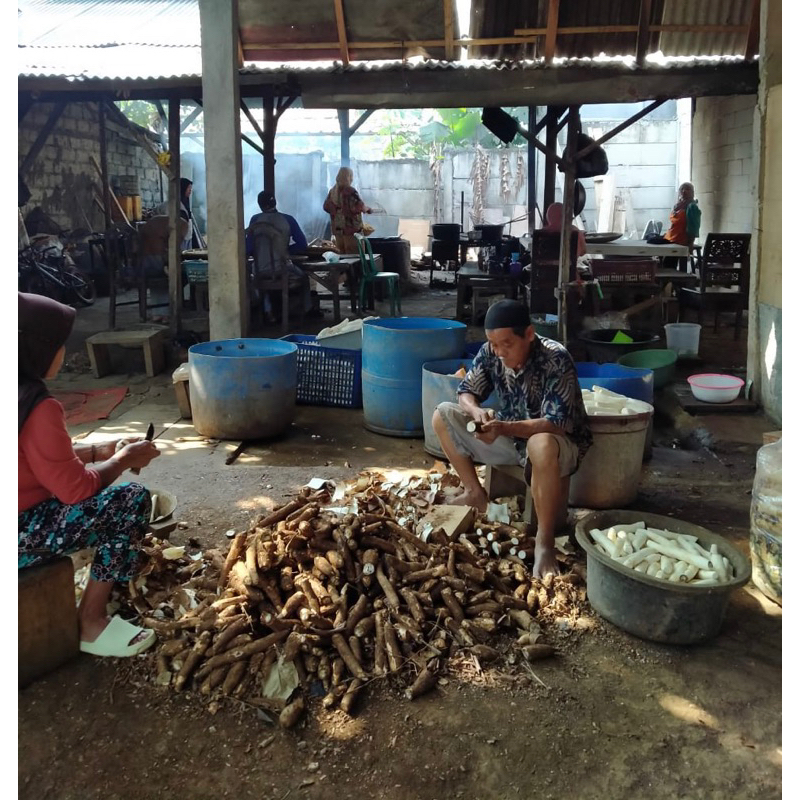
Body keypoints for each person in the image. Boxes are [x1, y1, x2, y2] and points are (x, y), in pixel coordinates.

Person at [18, 293, 161, 657]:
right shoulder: (38, 407)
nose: (65, 354)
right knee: (129, 501)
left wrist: (101, 450)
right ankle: (91, 622)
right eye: (60, 345)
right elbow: (75, 490)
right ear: (36, 349)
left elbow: (34, 459)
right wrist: (123, 459)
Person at [432, 299, 592, 579]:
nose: (499, 352)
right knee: (442, 415)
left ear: (528, 334)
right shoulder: (492, 351)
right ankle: (475, 493)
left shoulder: (556, 358)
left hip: (557, 446)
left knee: (539, 443)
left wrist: (504, 428)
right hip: (513, 439)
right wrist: (476, 410)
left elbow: (555, 423)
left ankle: (544, 541)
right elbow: (466, 391)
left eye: (506, 344)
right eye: (493, 344)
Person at [245, 191, 312, 321]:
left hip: (259, 270)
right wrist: (285, 251)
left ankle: (268, 311)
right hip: (282, 268)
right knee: (304, 277)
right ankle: (308, 310)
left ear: (260, 205)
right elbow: (302, 244)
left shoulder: (255, 220)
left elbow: (248, 248)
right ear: (275, 203)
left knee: (257, 278)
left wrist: (260, 253)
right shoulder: (288, 219)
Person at [322, 167, 373, 254]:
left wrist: (337, 212)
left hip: (338, 231)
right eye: (351, 176)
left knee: (342, 258)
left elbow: (326, 207)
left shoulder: (333, 191)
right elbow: (359, 206)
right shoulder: (350, 191)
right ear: (349, 177)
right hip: (352, 232)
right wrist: (368, 209)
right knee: (355, 258)